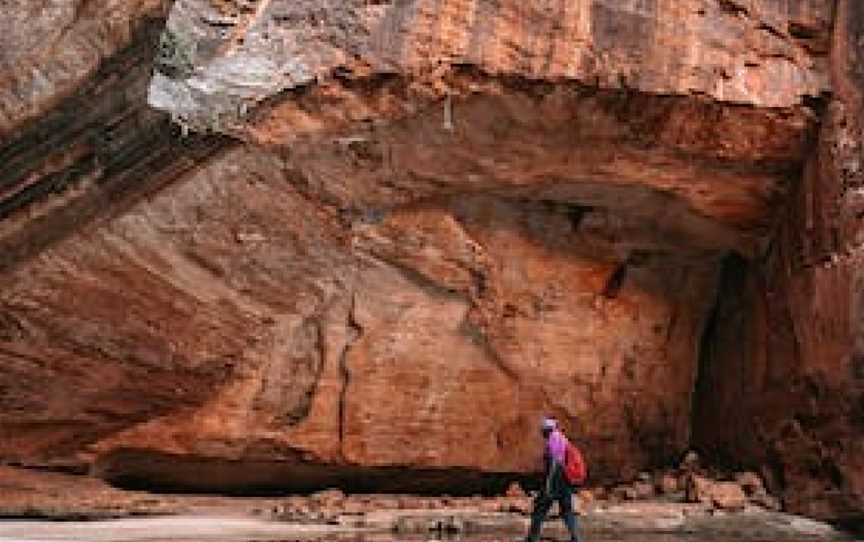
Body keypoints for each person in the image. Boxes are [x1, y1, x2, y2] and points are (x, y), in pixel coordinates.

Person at [522, 417, 584, 542]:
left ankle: (533, 537)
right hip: (565, 480)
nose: (542, 433)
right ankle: (576, 537)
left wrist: (548, 486)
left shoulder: (554, 439)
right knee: (567, 511)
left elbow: (555, 464)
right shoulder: (562, 438)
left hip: (557, 479)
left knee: (540, 509)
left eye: (543, 430)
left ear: (547, 430)